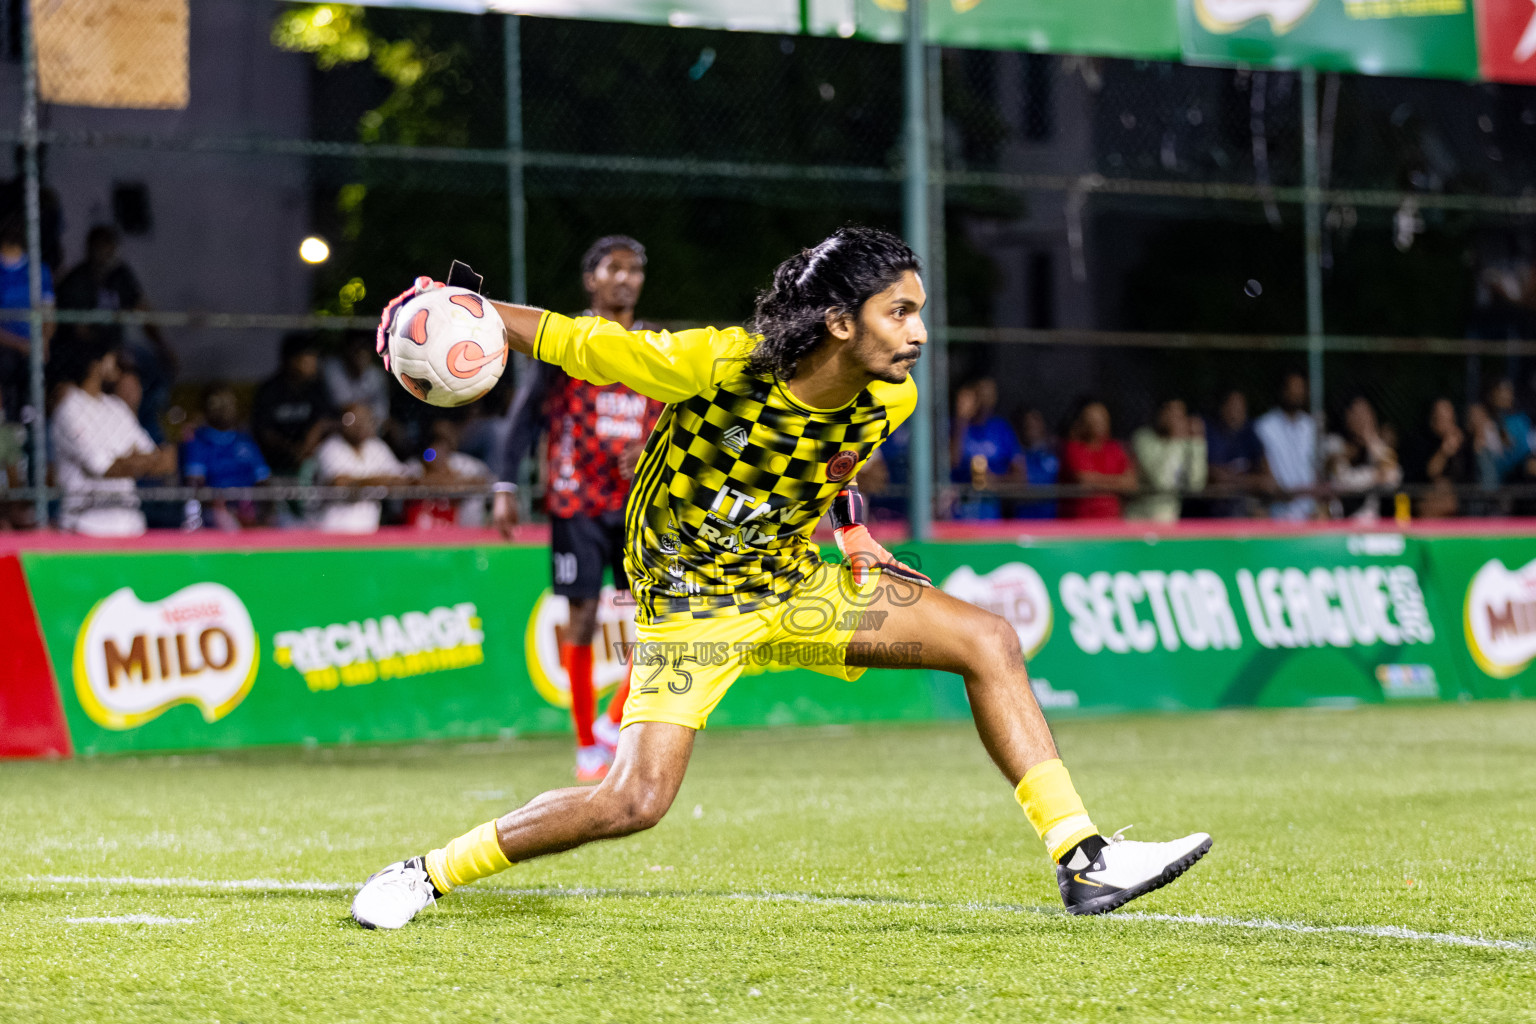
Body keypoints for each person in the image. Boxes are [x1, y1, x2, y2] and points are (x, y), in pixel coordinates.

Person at [351, 226, 1211, 930]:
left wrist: (855, 531)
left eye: (920, 312)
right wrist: (457, 307)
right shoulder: (721, 364)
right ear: (840, 321)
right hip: (693, 607)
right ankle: (429, 872)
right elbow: (578, 342)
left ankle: (1083, 860)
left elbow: (829, 465)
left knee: (989, 640)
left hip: (795, 586)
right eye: (899, 312)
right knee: (634, 800)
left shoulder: (892, 398)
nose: (918, 332)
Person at [493, 236, 662, 782]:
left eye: (634, 270)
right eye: (614, 269)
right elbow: (524, 415)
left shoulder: (655, 346)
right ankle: (587, 742)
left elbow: (676, 417)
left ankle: (615, 720)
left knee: (662, 616)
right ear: (591, 280)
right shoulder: (569, 341)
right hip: (577, 500)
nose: (626, 279)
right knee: (583, 617)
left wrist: (653, 450)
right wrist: (504, 484)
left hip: (639, 503)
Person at [56, 225, 177, 443]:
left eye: (109, 247)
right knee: (125, 377)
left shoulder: (120, 275)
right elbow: (79, 332)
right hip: (85, 353)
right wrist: (111, 354)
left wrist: (163, 347)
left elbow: (142, 311)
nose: (105, 253)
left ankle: (148, 427)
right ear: (90, 249)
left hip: (117, 348)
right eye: (100, 247)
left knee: (154, 367)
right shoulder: (78, 280)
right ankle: (126, 431)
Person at [49, 338, 176, 536]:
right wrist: (142, 461)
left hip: (131, 526)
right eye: (112, 357)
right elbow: (104, 468)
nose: (116, 364)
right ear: (96, 363)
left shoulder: (116, 407)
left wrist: (132, 461)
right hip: (85, 526)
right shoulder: (69, 408)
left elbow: (165, 463)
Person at [314, 403, 420, 533]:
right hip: (333, 530)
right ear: (341, 422)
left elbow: (403, 478)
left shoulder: (376, 447)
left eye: (366, 419)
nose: (360, 425)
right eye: (353, 419)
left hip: (368, 530)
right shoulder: (330, 447)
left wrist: (387, 480)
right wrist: (383, 481)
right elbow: (341, 483)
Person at [181, 383, 271, 530]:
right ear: (205, 409)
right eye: (216, 403)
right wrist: (226, 508)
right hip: (214, 512)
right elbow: (195, 488)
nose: (224, 409)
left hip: (249, 510)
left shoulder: (245, 441)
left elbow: (264, 482)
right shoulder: (198, 442)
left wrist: (264, 517)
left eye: (228, 403)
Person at [253, 333, 335, 477]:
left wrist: (308, 446)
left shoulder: (317, 388)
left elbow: (327, 420)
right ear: (292, 360)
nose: (314, 362)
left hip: (311, 460)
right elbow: (264, 431)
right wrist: (292, 449)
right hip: (275, 463)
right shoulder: (270, 390)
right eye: (309, 357)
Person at [0, 211, 53, 419]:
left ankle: (31, 420)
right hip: (6, 347)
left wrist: (44, 340)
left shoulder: (38, 270)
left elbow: (49, 312)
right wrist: (21, 345)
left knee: (37, 369)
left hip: (34, 345)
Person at [950, 378, 1025, 521]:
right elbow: (952, 461)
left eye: (989, 396)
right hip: (957, 515)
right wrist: (961, 420)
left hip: (989, 516)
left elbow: (1021, 478)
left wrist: (994, 481)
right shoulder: (954, 426)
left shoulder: (1002, 429)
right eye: (980, 396)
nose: (984, 402)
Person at [1126, 397, 1206, 523]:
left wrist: (1197, 443)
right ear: (1160, 414)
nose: (1174, 420)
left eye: (1179, 416)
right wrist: (1174, 441)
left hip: (1169, 520)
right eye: (1171, 414)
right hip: (1139, 519)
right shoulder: (1143, 438)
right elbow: (1161, 482)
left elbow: (1196, 485)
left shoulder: (1184, 443)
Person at [1323, 395, 1401, 522]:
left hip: (1369, 521)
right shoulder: (1333, 444)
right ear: (1347, 417)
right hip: (1338, 520)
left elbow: (1394, 478)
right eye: (1357, 414)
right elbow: (1343, 482)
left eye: (1367, 414)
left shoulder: (1375, 447)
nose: (1363, 420)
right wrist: (1376, 476)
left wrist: (1372, 440)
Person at [1254, 371, 1318, 521]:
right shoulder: (1264, 426)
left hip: (1309, 511)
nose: (1296, 393)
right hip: (1276, 511)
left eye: (1300, 388)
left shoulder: (1311, 426)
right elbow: (1261, 464)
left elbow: (1315, 466)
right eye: (1292, 388)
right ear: (1283, 391)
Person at [405, 418, 491, 529]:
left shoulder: (466, 464)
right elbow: (410, 480)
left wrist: (450, 480)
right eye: (434, 442)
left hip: (464, 529)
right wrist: (443, 479)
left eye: (441, 443)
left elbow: (482, 481)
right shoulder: (415, 466)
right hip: (422, 529)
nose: (436, 450)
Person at [1059, 399, 1136, 520]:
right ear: (1082, 422)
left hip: (1112, 521)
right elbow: (1084, 481)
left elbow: (1131, 484)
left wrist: (1097, 482)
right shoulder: (1073, 448)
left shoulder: (1115, 448)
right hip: (1079, 522)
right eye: (1093, 419)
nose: (1098, 423)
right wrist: (1117, 482)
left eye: (1102, 418)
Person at [1203, 390, 1271, 518]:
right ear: (1222, 408)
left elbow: (1267, 481)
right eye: (1232, 407)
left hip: (1245, 504)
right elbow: (1213, 475)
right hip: (1216, 508)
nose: (1236, 412)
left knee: (1261, 514)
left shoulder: (1250, 435)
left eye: (1240, 408)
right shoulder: (1210, 433)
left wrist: (1233, 481)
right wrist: (1251, 481)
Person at [323, 330, 391, 430]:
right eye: (356, 350)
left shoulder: (377, 375)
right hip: (338, 424)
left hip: (370, 425)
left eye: (365, 349)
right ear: (347, 350)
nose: (361, 354)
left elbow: (382, 413)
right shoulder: (333, 368)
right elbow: (344, 407)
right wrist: (365, 413)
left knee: (392, 428)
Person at [1015, 408, 1060, 520]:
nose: (1031, 427)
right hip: (1024, 520)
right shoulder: (1016, 456)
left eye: (1035, 422)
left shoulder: (1055, 452)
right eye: (1027, 424)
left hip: (1052, 520)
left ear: (1042, 425)